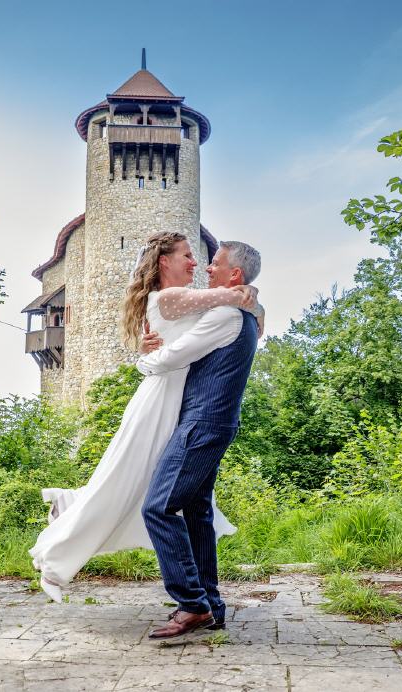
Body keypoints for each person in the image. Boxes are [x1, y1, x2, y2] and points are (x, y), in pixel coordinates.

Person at [28, 231, 263, 603]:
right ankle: (67, 540)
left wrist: (251, 298)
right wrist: (248, 294)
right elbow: (234, 300)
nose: (197, 263)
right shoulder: (172, 297)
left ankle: (72, 507)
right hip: (162, 397)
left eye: (202, 258)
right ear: (164, 262)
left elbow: (234, 310)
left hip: (178, 400)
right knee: (136, 483)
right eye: (187, 255)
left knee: (145, 485)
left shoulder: (188, 302)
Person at [136, 239, 262, 641]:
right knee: (196, 512)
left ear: (235, 275)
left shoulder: (225, 316)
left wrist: (142, 358)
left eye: (216, 264)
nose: (208, 269)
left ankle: (192, 604)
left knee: (158, 507)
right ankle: (211, 605)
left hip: (202, 424)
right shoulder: (239, 315)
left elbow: (172, 357)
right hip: (214, 423)